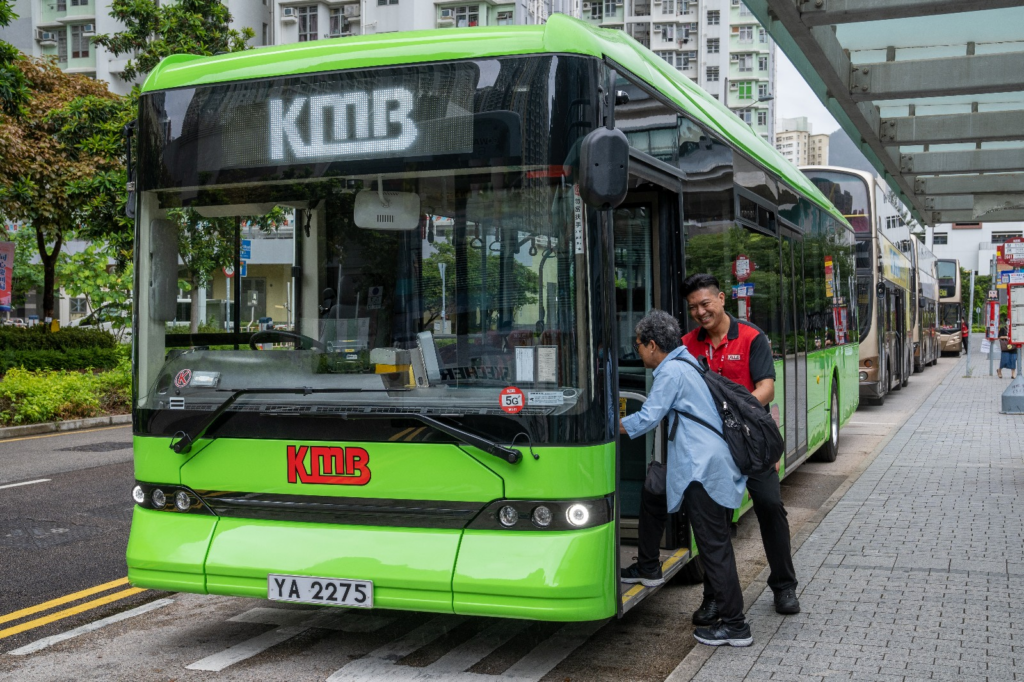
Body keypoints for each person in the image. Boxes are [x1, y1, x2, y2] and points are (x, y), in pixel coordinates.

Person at [619, 310, 753, 648]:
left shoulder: (672, 371)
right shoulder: (688, 362)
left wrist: (608, 426)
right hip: (712, 464)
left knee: (714, 548)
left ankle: (736, 625)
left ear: (652, 345)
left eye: (638, 345)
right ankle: (649, 567)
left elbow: (649, 417)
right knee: (661, 499)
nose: (638, 352)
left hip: (701, 470)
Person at [679, 273, 800, 622]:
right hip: (712, 449)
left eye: (705, 303)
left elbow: (766, 388)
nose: (700, 312)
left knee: (770, 506)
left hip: (751, 442)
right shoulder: (687, 345)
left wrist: (734, 413)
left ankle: (784, 585)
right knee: (713, 521)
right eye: (693, 308)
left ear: (721, 299)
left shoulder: (751, 337)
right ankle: (715, 596)